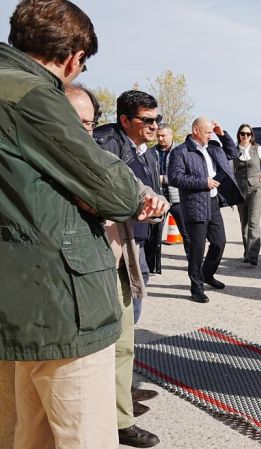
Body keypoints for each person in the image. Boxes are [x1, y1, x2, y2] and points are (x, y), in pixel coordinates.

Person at [0, 2, 148, 447]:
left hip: (21, 300)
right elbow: (118, 193)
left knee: (28, 433)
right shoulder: (32, 95)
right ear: (73, 57)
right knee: (82, 435)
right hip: (62, 307)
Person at [67, 83, 165, 448]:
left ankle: (121, 412)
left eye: (90, 123)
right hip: (87, 266)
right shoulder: (101, 146)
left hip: (123, 253)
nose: (154, 126)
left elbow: (139, 189)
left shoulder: (112, 151)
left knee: (124, 340)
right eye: (148, 120)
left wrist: (152, 205)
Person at [94, 90, 162, 324]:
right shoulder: (106, 145)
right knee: (119, 306)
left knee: (134, 299)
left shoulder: (148, 153)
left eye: (157, 119)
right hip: (115, 240)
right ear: (125, 120)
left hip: (139, 239)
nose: (155, 126)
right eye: (148, 120)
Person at [168, 117, 242, 303]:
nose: (210, 136)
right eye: (207, 132)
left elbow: (233, 153)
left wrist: (222, 134)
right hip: (194, 204)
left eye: (211, 132)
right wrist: (203, 182)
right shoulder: (181, 152)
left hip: (213, 202)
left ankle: (207, 274)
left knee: (219, 243)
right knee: (197, 248)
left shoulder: (214, 147)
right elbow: (175, 178)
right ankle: (196, 287)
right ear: (196, 130)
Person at [234, 123, 261, 265]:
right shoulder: (234, 151)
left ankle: (253, 255)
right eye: (242, 133)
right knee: (244, 223)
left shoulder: (258, 149)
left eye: (248, 134)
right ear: (239, 135)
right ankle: (247, 253)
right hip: (240, 190)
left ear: (251, 136)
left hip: (257, 189)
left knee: (253, 222)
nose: (245, 136)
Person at [152, 123, 190, 256]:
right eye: (158, 136)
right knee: (154, 235)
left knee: (187, 234)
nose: (160, 138)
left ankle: (193, 263)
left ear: (171, 135)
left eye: (163, 135)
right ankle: (154, 265)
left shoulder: (181, 151)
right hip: (158, 198)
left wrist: (163, 179)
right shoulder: (151, 152)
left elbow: (184, 175)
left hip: (177, 198)